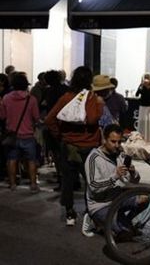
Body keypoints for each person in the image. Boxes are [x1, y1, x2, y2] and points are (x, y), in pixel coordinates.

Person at [45, 66, 103, 226]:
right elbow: (91, 120)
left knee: (68, 181)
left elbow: (50, 119)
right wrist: (99, 106)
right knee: (90, 182)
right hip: (89, 146)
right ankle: (90, 212)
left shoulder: (66, 97)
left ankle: (70, 213)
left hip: (68, 146)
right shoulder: (92, 98)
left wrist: (60, 135)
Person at [82, 124, 140, 237]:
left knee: (146, 199)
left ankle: (125, 222)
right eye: (113, 141)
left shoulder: (121, 154)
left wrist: (133, 172)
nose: (116, 145)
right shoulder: (93, 158)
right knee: (124, 235)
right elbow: (94, 186)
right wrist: (115, 177)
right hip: (100, 205)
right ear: (104, 139)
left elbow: (135, 181)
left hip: (117, 199)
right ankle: (93, 218)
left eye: (119, 142)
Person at [0, 72, 40, 192]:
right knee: (31, 160)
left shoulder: (6, 98)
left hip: (12, 135)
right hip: (28, 135)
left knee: (12, 159)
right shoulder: (31, 99)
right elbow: (36, 117)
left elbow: (2, 116)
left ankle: (12, 184)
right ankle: (33, 184)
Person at [135, 73, 150, 142]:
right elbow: (136, 95)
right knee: (143, 123)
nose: (146, 79)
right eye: (145, 78)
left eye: (148, 78)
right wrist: (140, 86)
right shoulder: (141, 86)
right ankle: (141, 138)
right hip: (143, 107)